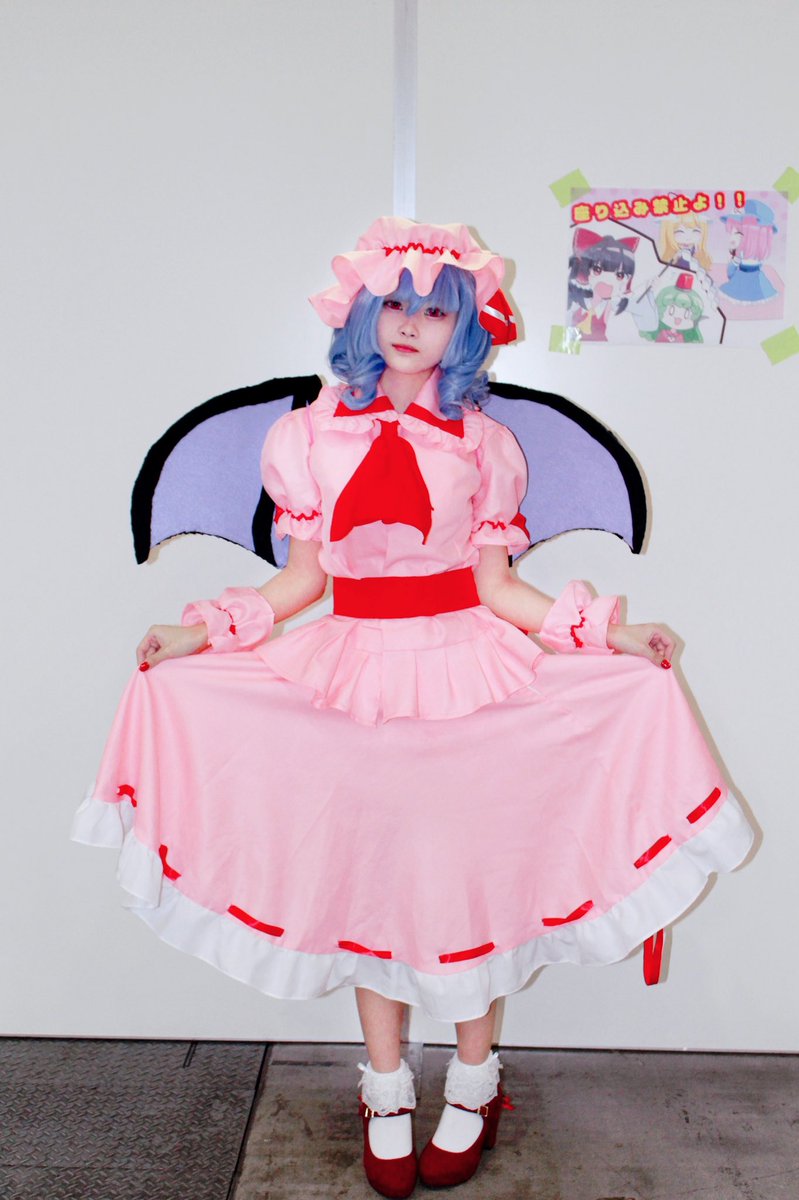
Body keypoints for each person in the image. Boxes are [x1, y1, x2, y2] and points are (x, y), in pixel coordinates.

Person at [74, 217, 753, 1198]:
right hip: (349, 674)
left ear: (464, 330)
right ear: (361, 312)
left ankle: (474, 1084)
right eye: (393, 303)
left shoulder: (485, 442)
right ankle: (385, 1090)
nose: (409, 324)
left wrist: (609, 633)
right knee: (370, 882)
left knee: (468, 883)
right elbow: (300, 582)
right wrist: (203, 632)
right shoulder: (305, 435)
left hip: (465, 672)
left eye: (435, 312)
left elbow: (500, 588)